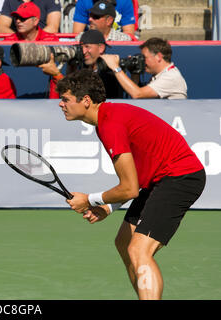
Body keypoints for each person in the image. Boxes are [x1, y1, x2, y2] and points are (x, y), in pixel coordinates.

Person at [56, 69, 205, 300]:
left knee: (139, 249)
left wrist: (89, 199)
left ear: (85, 100)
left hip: (180, 177)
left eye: (65, 99)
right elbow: (134, 180)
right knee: (124, 242)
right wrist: (108, 207)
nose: (60, 104)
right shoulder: (106, 119)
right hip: (160, 179)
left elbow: (129, 189)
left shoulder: (110, 124)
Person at [41, 29, 124, 99]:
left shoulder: (109, 73)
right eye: (81, 47)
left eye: (87, 47)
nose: (83, 52)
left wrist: (57, 75)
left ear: (101, 48)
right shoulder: (81, 68)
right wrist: (71, 68)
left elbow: (81, 98)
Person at [101, 37, 188, 99]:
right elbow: (137, 98)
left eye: (144, 58)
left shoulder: (171, 77)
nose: (143, 62)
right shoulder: (159, 76)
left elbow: (137, 94)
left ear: (159, 57)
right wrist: (135, 72)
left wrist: (116, 68)